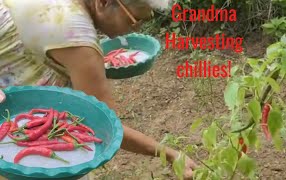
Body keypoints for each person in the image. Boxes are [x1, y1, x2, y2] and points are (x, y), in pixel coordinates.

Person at [0, 0, 197, 179]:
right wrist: (171, 154)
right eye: (134, 19)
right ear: (103, 2)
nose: (136, 28)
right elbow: (106, 126)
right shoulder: (78, 38)